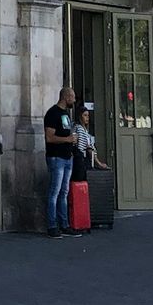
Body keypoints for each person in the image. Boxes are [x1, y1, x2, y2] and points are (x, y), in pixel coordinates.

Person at [43, 86, 77, 237]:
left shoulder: (66, 114)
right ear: (66, 97)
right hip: (56, 157)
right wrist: (67, 139)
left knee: (64, 192)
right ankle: (52, 225)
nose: (74, 100)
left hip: (67, 156)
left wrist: (71, 141)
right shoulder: (52, 113)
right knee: (54, 191)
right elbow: (49, 137)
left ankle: (64, 224)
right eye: (72, 97)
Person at [75, 106, 110, 171]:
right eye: (85, 115)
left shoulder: (85, 130)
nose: (87, 118)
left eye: (88, 115)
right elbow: (86, 147)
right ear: (80, 116)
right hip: (81, 160)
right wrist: (99, 163)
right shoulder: (79, 129)